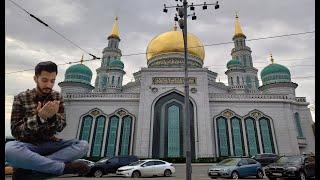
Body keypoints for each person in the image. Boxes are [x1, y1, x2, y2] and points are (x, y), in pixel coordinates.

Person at [5, 61, 90, 179]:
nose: (49, 85)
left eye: (52, 81)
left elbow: (61, 126)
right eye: (45, 80)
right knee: (9, 149)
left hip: (50, 144)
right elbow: (16, 132)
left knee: (83, 145)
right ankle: (62, 168)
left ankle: (29, 168)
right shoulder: (21, 98)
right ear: (36, 78)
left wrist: (53, 117)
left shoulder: (57, 97)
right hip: (28, 145)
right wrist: (40, 118)